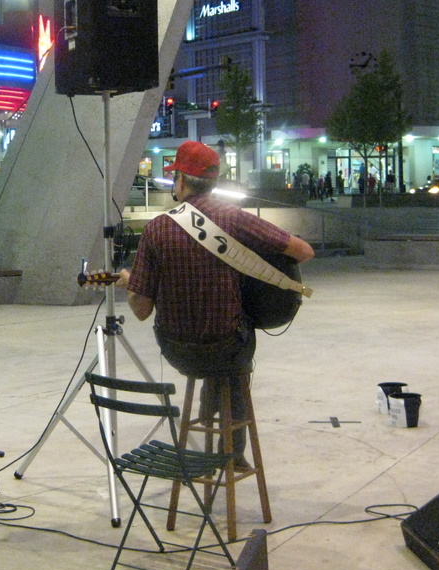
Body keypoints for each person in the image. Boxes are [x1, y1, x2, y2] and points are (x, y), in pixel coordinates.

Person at [115, 141, 315, 467]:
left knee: (219, 357)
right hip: (228, 348)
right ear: (214, 181)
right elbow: (304, 251)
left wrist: (129, 283)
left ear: (180, 179)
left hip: (177, 349)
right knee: (231, 349)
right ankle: (231, 451)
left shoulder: (156, 229)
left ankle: (214, 434)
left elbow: (141, 311)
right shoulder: (233, 218)